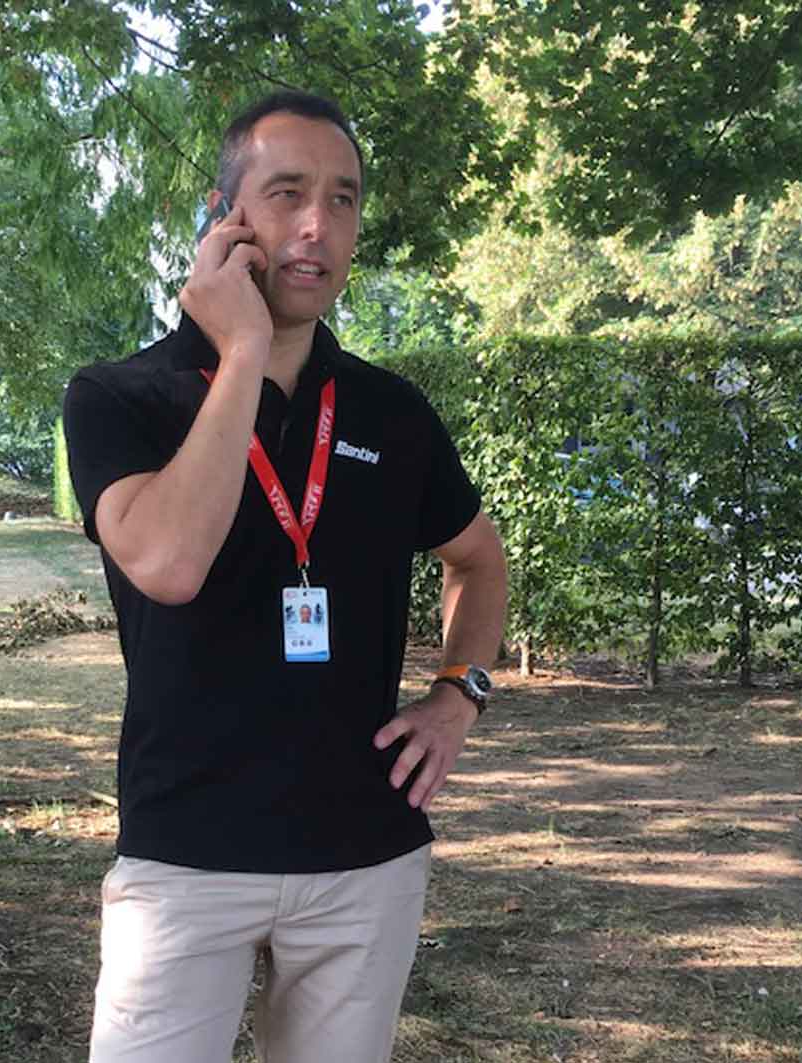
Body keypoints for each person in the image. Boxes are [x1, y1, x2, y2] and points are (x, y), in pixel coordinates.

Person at [63, 90, 507, 1063]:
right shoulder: (120, 397)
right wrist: (246, 353)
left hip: (364, 859)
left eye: (343, 199)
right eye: (288, 193)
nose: (317, 225)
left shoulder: (391, 413)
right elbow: (169, 563)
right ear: (224, 216)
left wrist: (458, 695)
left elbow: (479, 557)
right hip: (187, 857)